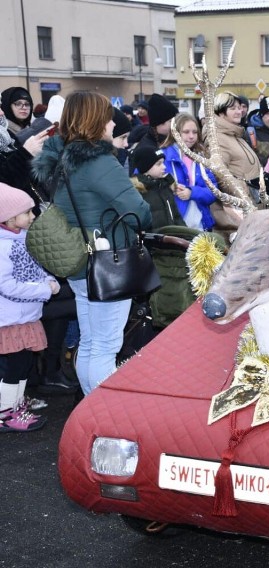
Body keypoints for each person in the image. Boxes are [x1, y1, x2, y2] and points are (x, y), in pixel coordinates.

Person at [30, 91, 152, 396]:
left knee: (90, 341)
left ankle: (89, 406)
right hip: (109, 263)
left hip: (82, 262)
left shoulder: (62, 157)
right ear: (95, 121)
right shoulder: (99, 163)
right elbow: (139, 211)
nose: (112, 122)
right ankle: (105, 414)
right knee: (105, 346)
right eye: (107, 116)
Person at [0, 184, 59, 432]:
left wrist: (50, 279)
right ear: (9, 217)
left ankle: (16, 404)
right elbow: (7, 285)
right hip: (10, 319)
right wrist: (44, 289)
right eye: (27, 213)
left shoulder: (24, 239)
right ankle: (5, 412)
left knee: (23, 363)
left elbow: (37, 269)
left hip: (26, 316)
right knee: (12, 367)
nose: (32, 216)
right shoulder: (3, 247)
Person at [161, 113, 217, 231]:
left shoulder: (201, 157)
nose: (191, 136)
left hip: (201, 225)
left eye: (195, 132)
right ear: (175, 133)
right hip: (175, 225)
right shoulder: (162, 157)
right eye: (186, 132)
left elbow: (213, 192)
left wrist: (192, 192)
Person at [203, 90, 262, 202]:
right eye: (233, 108)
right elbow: (220, 177)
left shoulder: (235, 133)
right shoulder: (218, 139)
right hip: (241, 206)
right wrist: (247, 190)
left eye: (239, 108)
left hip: (253, 201)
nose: (239, 111)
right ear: (220, 113)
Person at [130, 147, 186, 230]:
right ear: (146, 166)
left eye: (163, 163)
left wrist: (186, 236)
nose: (164, 167)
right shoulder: (139, 191)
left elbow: (176, 217)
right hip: (154, 240)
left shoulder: (164, 186)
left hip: (172, 238)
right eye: (158, 164)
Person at [128, 94, 178, 173]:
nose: (175, 125)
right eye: (171, 121)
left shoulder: (172, 141)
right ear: (159, 123)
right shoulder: (144, 149)